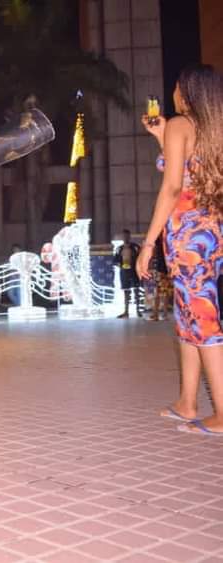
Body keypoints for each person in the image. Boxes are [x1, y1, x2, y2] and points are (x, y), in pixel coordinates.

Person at [137, 63, 223, 436]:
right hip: (212, 233)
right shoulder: (211, 129)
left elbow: (172, 188)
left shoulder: (180, 124)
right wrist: (161, 138)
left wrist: (148, 242)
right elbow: (190, 175)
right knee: (188, 315)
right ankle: (188, 401)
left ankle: (222, 414)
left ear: (184, 92)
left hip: (187, 238)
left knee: (202, 319)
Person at [113, 229, 141, 318]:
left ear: (130, 236)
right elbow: (115, 260)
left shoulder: (135, 247)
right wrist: (121, 265)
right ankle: (126, 311)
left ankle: (138, 310)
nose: (126, 238)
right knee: (126, 291)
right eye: (124, 236)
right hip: (125, 271)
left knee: (136, 290)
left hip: (134, 271)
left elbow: (140, 257)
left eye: (127, 236)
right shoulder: (119, 248)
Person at [148, 233, 173, 321]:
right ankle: (157, 314)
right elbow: (153, 252)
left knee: (165, 293)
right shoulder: (160, 240)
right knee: (159, 292)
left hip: (166, 269)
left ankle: (162, 314)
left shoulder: (169, 239)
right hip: (161, 269)